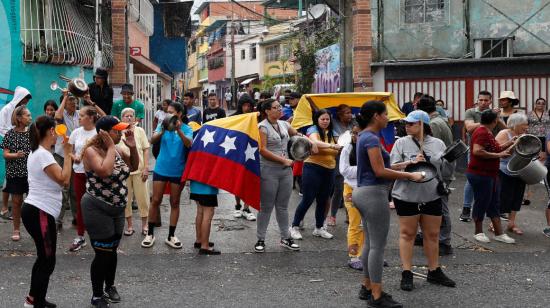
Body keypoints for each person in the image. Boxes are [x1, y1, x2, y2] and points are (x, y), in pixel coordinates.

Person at [352, 101, 423, 308]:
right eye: (385, 114)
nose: (388, 118)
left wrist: (406, 164)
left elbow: (383, 166)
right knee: (377, 247)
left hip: (363, 193)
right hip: (373, 194)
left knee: (370, 244)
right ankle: (377, 295)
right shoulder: (371, 139)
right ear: (376, 116)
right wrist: (410, 175)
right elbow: (380, 171)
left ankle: (367, 286)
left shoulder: (365, 136)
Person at [390, 110, 456, 291]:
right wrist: (409, 163)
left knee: (432, 234)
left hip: (432, 193)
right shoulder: (400, 143)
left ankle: (434, 270)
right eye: (406, 123)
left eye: (411, 123)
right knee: (407, 234)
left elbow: (446, 172)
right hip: (406, 195)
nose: (407, 126)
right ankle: (406, 272)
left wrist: (450, 161)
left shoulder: (438, 143)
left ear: (422, 125)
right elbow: (391, 166)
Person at [80, 116, 138, 307]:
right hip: (97, 208)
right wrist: (112, 148)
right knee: (102, 253)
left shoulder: (119, 149)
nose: (121, 133)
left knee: (111, 251)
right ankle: (97, 295)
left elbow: (134, 166)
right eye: (116, 130)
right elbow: (104, 171)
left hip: (118, 209)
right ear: (104, 133)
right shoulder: (91, 151)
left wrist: (132, 146)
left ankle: (110, 286)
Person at [22, 115, 72, 308]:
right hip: (39, 211)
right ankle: (34, 302)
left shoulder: (40, 152)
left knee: (45, 258)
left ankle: (36, 299)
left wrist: (68, 156)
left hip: (40, 211)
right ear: (51, 131)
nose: (57, 134)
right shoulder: (42, 154)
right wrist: (67, 153)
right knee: (47, 260)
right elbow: (64, 180)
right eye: (56, 130)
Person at [254, 99, 310, 253]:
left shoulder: (284, 124)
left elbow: (297, 135)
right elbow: (262, 150)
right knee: (266, 207)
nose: (280, 110)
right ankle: (261, 239)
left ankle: (286, 238)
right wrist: (284, 161)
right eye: (275, 108)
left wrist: (310, 141)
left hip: (285, 171)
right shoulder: (262, 127)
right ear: (267, 111)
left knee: (283, 207)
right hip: (268, 170)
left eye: (280, 107)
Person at [142, 102, 192, 249]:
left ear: (180, 114)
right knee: (156, 200)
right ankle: (150, 234)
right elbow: (152, 140)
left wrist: (179, 130)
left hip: (178, 170)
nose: (168, 114)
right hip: (161, 168)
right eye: (167, 112)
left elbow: (189, 144)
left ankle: (171, 235)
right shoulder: (162, 126)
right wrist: (164, 130)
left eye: (172, 112)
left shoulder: (187, 128)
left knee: (175, 202)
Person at [290, 109, 342, 240]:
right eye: (322, 119)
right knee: (307, 199)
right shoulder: (312, 130)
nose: (325, 121)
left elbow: (339, 147)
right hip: (312, 168)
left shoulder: (333, 132)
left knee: (323, 200)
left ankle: (319, 228)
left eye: (327, 119)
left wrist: (331, 148)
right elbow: (315, 143)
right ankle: (294, 226)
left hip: (329, 169)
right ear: (317, 120)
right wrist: (332, 147)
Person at [466, 110, 516, 244]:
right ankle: (478, 231)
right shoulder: (482, 132)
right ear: (495, 121)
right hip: (480, 174)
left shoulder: (487, 131)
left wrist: (511, 142)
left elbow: (496, 148)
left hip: (490, 174)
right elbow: (477, 151)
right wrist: (499, 156)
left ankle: (499, 233)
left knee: (494, 203)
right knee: (482, 202)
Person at [416, 96, 455, 255]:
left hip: (439, 172)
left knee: (440, 207)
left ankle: (444, 241)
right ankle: (427, 235)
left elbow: (434, 152)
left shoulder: (433, 124)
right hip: (441, 169)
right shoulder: (441, 119)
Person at [460, 91, 505, 222]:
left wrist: (497, 117)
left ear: (490, 101)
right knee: (472, 179)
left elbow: (505, 129)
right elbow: (469, 128)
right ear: (477, 100)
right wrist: (487, 119)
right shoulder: (471, 112)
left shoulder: (494, 114)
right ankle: (466, 208)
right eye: (481, 100)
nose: (483, 102)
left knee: (491, 179)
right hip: (475, 148)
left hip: (493, 148)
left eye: (486, 100)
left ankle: (489, 210)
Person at [67, 106, 100, 252]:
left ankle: (99, 236)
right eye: (79, 115)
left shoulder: (99, 133)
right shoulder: (75, 132)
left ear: (91, 117)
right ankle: (80, 237)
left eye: (82, 115)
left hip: (96, 174)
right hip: (79, 174)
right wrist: (75, 158)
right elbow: (70, 151)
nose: (79, 118)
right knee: (81, 205)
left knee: (97, 205)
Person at [1, 106, 32, 241]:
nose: (30, 118)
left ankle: (33, 229)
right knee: (16, 202)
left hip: (31, 174)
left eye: (30, 115)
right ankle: (16, 229)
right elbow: (5, 154)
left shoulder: (32, 133)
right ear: (19, 118)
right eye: (27, 116)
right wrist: (16, 155)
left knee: (32, 203)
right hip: (15, 173)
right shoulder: (10, 134)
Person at [495, 113, 529, 235]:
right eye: (524, 124)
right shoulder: (504, 134)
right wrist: (514, 143)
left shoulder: (524, 135)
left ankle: (511, 223)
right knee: (503, 197)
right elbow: (499, 151)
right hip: (504, 169)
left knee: (517, 197)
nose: (526, 127)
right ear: (515, 124)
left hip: (520, 170)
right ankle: (493, 223)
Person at [119, 108, 150, 236]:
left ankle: (145, 225)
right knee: (126, 200)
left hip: (139, 170)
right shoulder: (118, 130)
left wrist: (146, 167)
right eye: (126, 116)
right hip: (123, 171)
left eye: (132, 115)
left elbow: (146, 149)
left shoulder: (139, 131)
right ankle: (130, 226)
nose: (129, 118)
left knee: (143, 198)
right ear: (122, 118)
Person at [339, 124, 364, 270]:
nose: (356, 137)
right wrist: (366, 168)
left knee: (369, 225)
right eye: (354, 133)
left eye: (359, 134)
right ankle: (354, 256)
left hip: (368, 189)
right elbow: (345, 171)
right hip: (351, 189)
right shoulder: (347, 148)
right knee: (356, 223)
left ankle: (368, 254)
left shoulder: (372, 147)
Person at [54, 93, 79, 230]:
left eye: (74, 101)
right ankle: (58, 219)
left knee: (75, 190)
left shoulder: (80, 114)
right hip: (61, 155)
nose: (73, 103)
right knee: (62, 189)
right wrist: (64, 97)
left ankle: (76, 218)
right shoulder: (61, 114)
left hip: (75, 156)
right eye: (70, 101)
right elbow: (57, 117)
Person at [328, 104, 355, 226]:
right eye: (346, 113)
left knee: (351, 187)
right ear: (339, 114)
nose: (350, 115)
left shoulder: (353, 123)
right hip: (339, 158)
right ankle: (332, 216)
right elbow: (319, 112)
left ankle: (349, 215)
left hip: (353, 158)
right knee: (339, 189)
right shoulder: (333, 122)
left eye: (350, 112)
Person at [190, 180, 221, 255]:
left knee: (200, 211)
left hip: (195, 185)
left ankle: (199, 240)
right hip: (207, 187)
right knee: (208, 214)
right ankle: (205, 246)